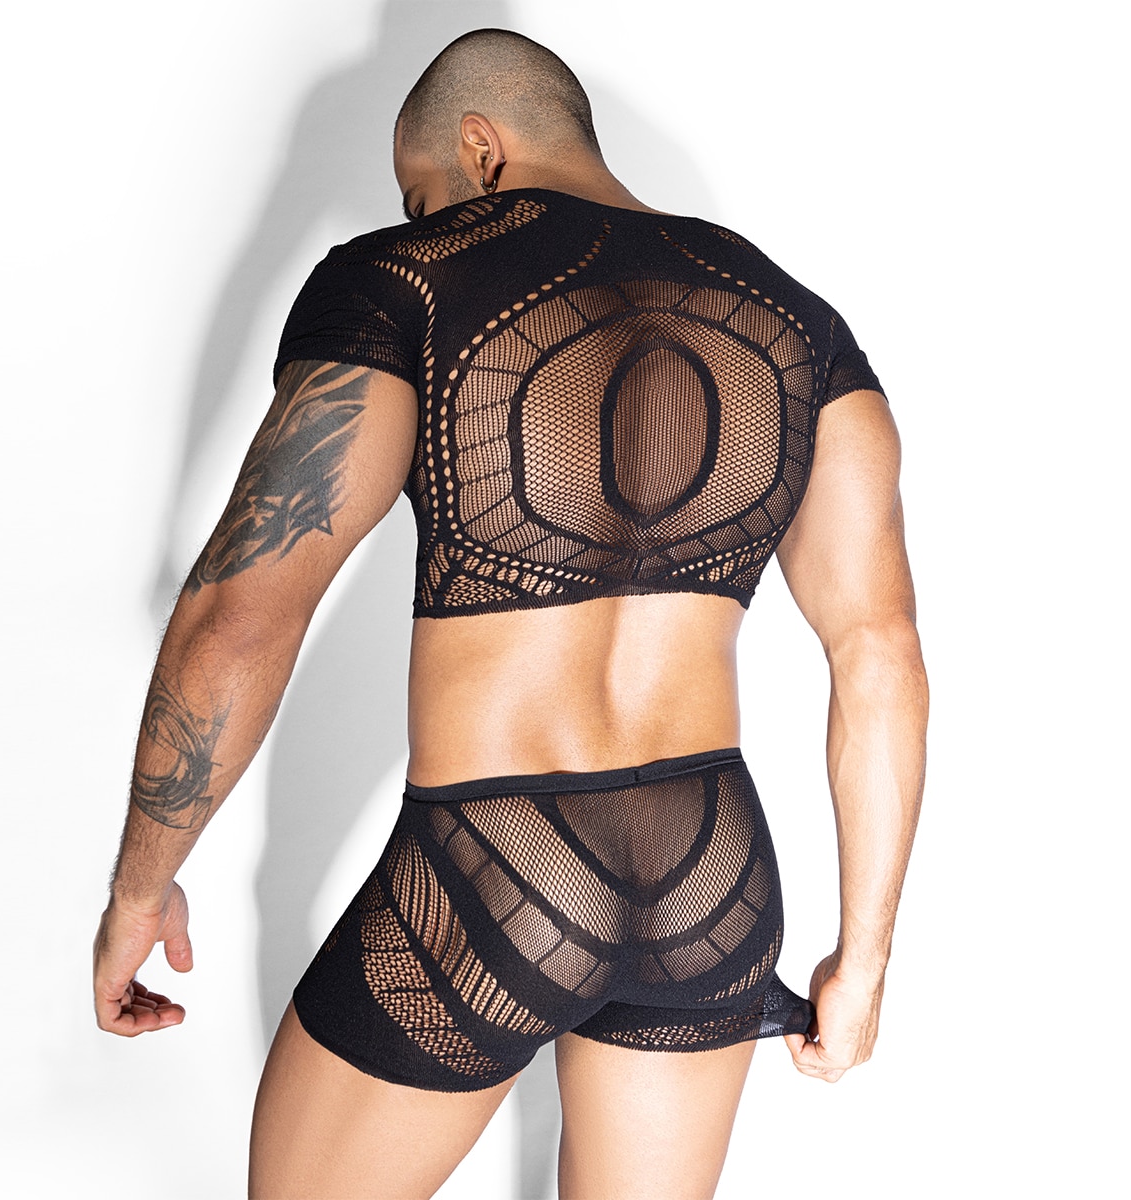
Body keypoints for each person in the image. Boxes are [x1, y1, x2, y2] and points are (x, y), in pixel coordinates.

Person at [93, 28, 928, 1200]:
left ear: (480, 148)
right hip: (714, 876)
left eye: (421, 194)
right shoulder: (796, 318)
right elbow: (878, 651)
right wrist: (865, 961)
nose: (417, 219)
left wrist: (141, 887)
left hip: (489, 862)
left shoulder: (404, 280)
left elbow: (240, 615)